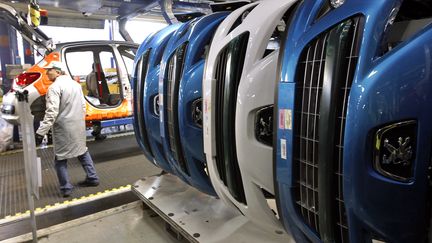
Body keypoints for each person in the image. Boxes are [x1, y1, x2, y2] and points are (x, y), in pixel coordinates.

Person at [35, 61, 99, 197]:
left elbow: (51, 112)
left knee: (60, 159)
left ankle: (66, 188)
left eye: (49, 70)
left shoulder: (54, 87)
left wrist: (41, 132)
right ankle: (93, 178)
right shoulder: (76, 85)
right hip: (78, 125)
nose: (46, 73)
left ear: (58, 72)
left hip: (64, 128)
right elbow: (83, 106)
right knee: (82, 151)